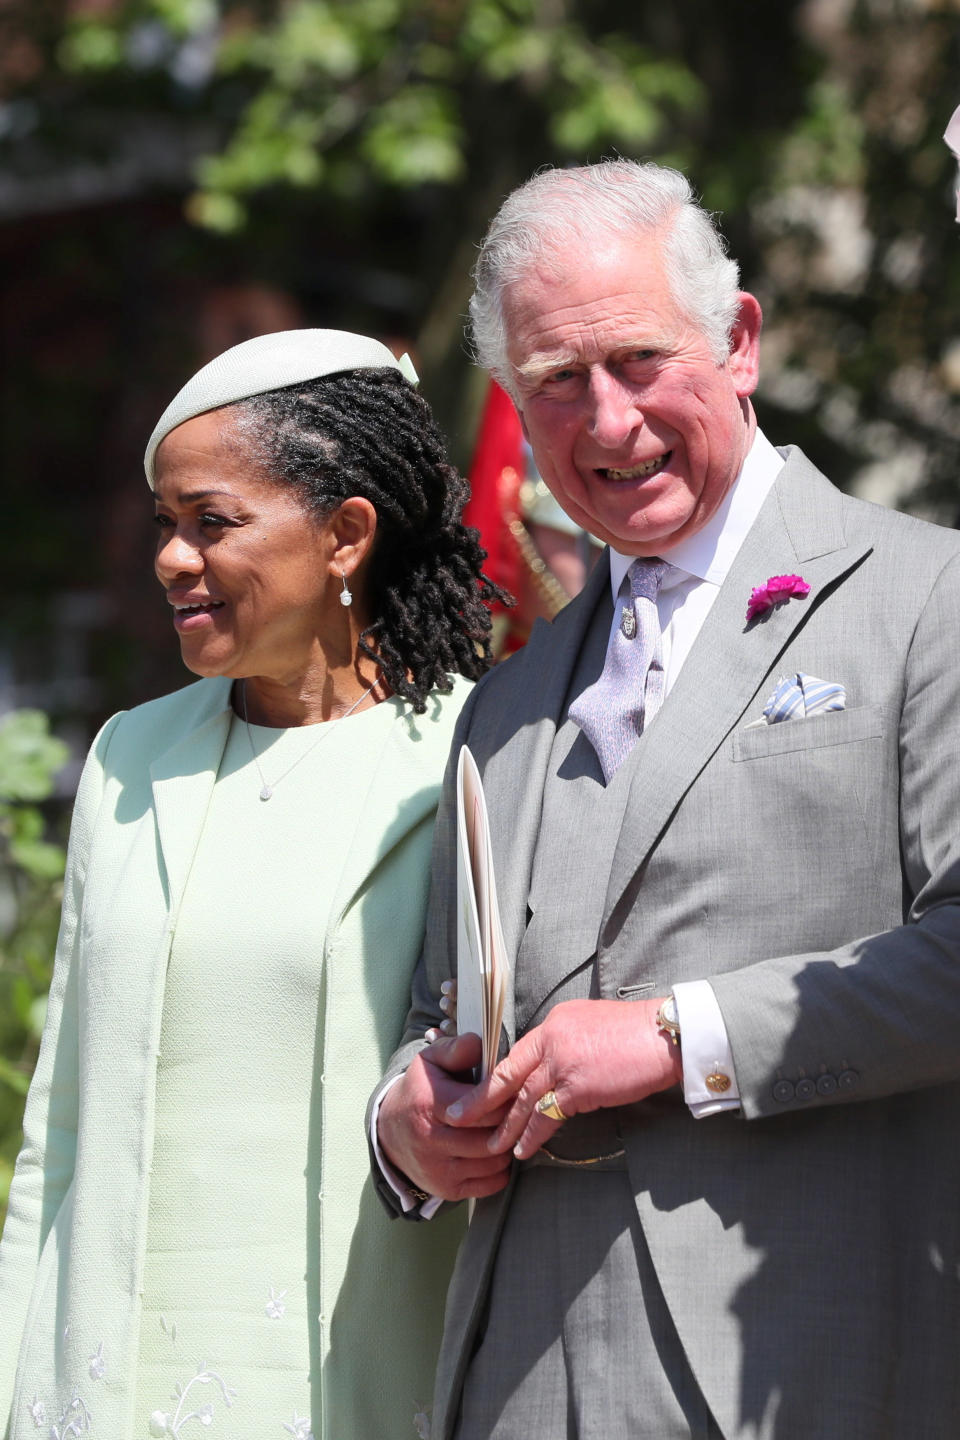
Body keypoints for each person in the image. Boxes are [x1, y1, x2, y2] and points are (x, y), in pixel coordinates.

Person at [372, 161, 960, 1440]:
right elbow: (441, 1013)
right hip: (516, 1375)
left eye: (640, 360)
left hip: (799, 1363)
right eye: (555, 384)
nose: (608, 420)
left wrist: (676, 1035)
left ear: (739, 341)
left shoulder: (928, 602)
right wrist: (409, 1122)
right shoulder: (506, 698)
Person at [0, 329, 505, 1440]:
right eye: (166, 528)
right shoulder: (131, 757)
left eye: (212, 523)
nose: (173, 559)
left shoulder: (480, 759)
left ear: (345, 534)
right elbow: (59, 1130)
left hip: (353, 1392)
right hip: (94, 1392)